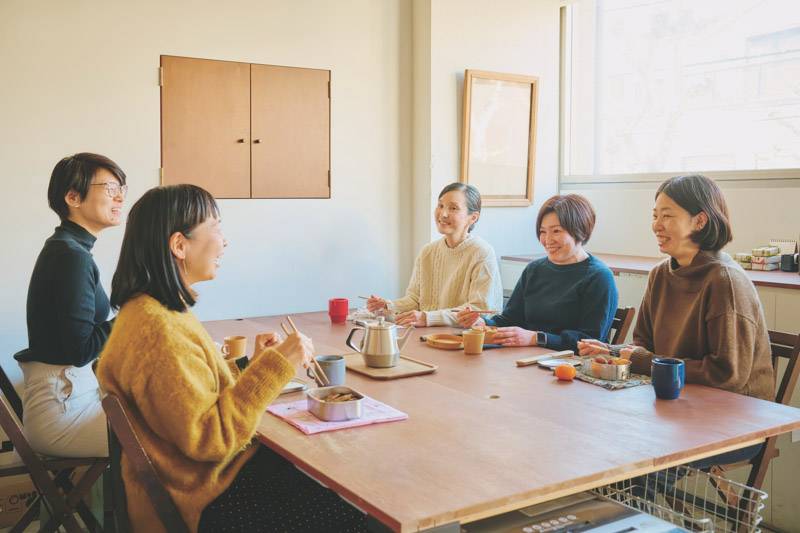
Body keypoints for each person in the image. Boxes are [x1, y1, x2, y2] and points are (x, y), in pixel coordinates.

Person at [96, 185, 368, 533]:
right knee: (349, 519)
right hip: (202, 500)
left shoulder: (151, 311)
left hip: (202, 481)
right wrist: (277, 365)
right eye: (217, 229)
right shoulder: (158, 330)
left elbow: (189, 392)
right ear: (179, 245)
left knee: (323, 489)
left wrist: (250, 364)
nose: (225, 241)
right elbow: (211, 438)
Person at [579, 174, 773, 468]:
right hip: (674, 408)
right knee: (591, 434)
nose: (656, 225)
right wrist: (613, 352)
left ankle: (636, 513)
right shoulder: (660, 274)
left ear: (700, 221)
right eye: (655, 215)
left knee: (623, 456)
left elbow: (726, 375)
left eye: (667, 215)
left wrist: (643, 361)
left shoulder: (725, 281)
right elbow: (644, 343)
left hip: (733, 424)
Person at [14, 153, 127, 457]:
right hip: (63, 412)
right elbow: (79, 350)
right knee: (178, 439)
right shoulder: (72, 256)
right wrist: (133, 314)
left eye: (121, 189)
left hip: (70, 397)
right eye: (109, 188)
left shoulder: (69, 249)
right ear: (73, 197)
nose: (119, 197)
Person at [457, 194, 618, 353]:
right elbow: (511, 319)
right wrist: (481, 323)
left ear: (581, 232)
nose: (548, 240)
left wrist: (535, 338)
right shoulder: (534, 269)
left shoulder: (598, 277)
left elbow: (590, 342)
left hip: (569, 369)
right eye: (543, 232)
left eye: (556, 231)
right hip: (524, 360)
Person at [367, 182, 502, 327]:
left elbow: (478, 310)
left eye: (453, 208)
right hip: (427, 335)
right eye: (441, 205)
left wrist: (427, 318)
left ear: (472, 217)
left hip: (466, 339)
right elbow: (415, 299)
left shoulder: (482, 252)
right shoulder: (428, 252)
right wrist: (387, 306)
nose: (443, 214)